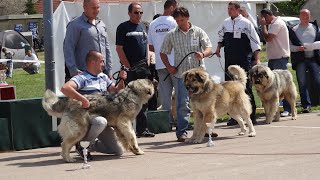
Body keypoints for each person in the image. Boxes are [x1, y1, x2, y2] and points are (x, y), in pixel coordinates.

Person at [160, 7, 213, 142]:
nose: (179, 22)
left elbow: (209, 48)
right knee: (183, 104)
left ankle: (206, 130)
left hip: (200, 77)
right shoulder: (171, 34)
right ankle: (182, 132)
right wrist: (169, 67)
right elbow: (162, 52)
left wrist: (202, 54)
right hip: (182, 76)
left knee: (206, 104)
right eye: (177, 20)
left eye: (182, 19)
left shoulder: (198, 31)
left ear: (188, 18)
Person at [61, 50, 126, 160]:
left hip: (102, 116)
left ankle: (90, 145)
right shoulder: (82, 77)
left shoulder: (103, 77)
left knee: (118, 151)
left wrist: (122, 79)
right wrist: (83, 99)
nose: (103, 64)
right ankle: (82, 146)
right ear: (92, 62)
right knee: (101, 121)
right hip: (86, 116)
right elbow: (65, 88)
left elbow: (115, 91)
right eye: (101, 61)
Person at [215, 1, 260, 126]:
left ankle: (251, 116)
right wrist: (218, 48)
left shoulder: (246, 23)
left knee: (245, 88)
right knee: (229, 89)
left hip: (243, 60)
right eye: (228, 8)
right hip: (229, 60)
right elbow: (220, 37)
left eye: (231, 9)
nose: (229, 11)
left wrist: (257, 59)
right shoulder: (225, 23)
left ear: (237, 10)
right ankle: (234, 117)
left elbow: (255, 41)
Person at [116, 2, 155, 138]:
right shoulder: (123, 27)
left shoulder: (144, 26)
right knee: (129, 100)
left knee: (143, 99)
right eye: (136, 12)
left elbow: (147, 45)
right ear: (129, 13)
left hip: (144, 68)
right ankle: (126, 129)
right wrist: (128, 66)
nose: (139, 15)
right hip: (131, 68)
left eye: (140, 12)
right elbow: (119, 48)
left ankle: (142, 129)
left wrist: (148, 61)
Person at [63, 0, 112, 82]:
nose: (96, 10)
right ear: (84, 8)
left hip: (101, 72)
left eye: (98, 7)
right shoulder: (75, 24)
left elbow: (107, 47)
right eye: (93, 8)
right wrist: (73, 70)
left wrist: (109, 69)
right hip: (82, 73)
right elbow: (68, 47)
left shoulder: (101, 24)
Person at [148, 0, 178, 125]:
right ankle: (181, 121)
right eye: (177, 8)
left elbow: (150, 47)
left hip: (160, 64)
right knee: (180, 94)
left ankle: (167, 122)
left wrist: (162, 53)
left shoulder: (153, 23)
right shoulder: (175, 22)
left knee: (165, 96)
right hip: (176, 64)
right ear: (171, 8)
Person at [260, 8, 291, 117]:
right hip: (273, 58)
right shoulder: (273, 24)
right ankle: (276, 110)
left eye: (263, 18)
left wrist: (263, 26)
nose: (262, 20)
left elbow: (268, 38)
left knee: (282, 85)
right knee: (273, 86)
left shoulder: (277, 23)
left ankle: (287, 109)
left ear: (267, 16)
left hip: (279, 58)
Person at [288, 9, 320, 113]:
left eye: (307, 16)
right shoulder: (294, 30)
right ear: (299, 17)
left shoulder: (315, 28)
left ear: (310, 16)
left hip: (314, 59)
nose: (306, 18)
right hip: (300, 60)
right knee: (302, 83)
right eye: (303, 16)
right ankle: (306, 105)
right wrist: (298, 49)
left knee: (318, 80)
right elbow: (290, 47)